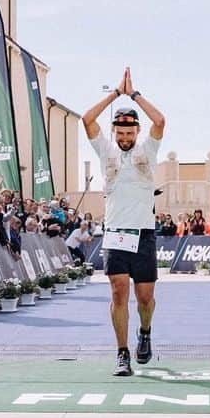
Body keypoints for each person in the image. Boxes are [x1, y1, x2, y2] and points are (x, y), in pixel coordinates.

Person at [83, 67, 166, 377]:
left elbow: (160, 121)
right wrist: (115, 94)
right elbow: (87, 121)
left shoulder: (148, 149)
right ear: (115, 132)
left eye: (130, 133)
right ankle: (121, 353)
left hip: (143, 233)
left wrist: (134, 95)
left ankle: (145, 332)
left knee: (145, 298)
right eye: (120, 133)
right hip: (116, 233)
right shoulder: (106, 151)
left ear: (136, 132)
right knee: (118, 292)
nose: (125, 138)